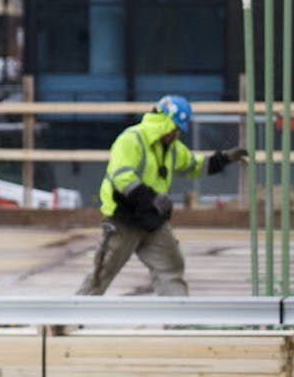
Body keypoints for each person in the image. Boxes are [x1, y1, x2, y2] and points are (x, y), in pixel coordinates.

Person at [76, 94, 248, 296]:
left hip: (153, 221)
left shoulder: (172, 148)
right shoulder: (132, 140)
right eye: (175, 129)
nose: (176, 134)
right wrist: (151, 198)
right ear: (164, 123)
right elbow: (121, 177)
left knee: (171, 269)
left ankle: (178, 321)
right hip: (124, 221)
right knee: (101, 274)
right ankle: (67, 322)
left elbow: (193, 165)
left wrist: (224, 159)